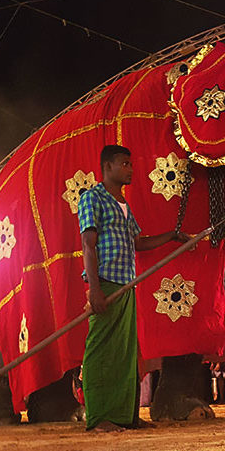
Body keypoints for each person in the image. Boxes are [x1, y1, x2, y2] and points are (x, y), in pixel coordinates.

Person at [78, 145, 189, 432]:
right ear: (108, 166)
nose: (130, 169)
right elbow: (88, 245)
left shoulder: (124, 205)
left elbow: (139, 242)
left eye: (130, 164)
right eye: (124, 164)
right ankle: (99, 417)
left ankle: (125, 415)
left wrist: (172, 236)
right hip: (105, 282)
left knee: (125, 353)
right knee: (101, 350)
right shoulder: (92, 197)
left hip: (126, 284)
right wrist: (94, 289)